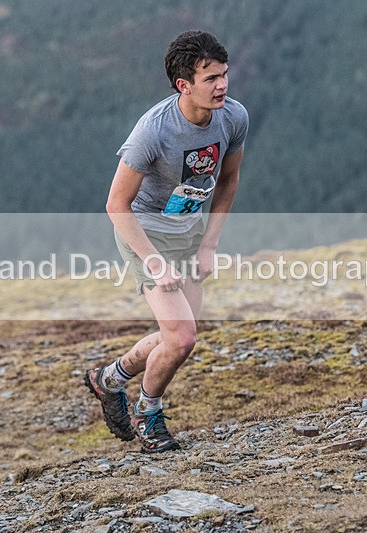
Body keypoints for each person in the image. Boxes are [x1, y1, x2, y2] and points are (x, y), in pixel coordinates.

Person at [84, 30, 248, 453]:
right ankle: (147, 413)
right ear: (184, 85)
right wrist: (155, 261)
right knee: (182, 337)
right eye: (211, 79)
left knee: (177, 334)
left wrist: (209, 244)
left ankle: (110, 379)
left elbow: (227, 182)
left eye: (224, 75)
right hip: (144, 232)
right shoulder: (153, 133)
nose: (222, 86)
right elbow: (116, 204)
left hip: (188, 231)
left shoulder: (233, 117)